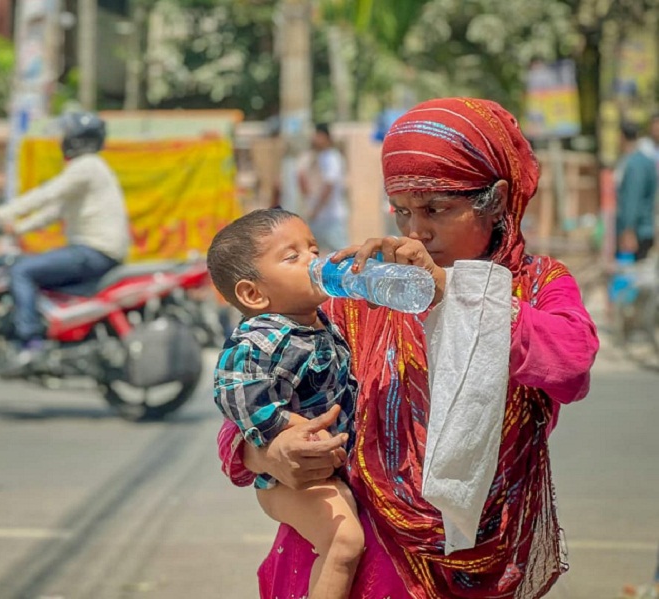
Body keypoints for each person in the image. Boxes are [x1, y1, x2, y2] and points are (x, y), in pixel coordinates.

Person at [216, 97, 600, 598]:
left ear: (498, 200)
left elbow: (571, 366)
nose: (415, 231)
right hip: (365, 561)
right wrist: (268, 453)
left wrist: (454, 297)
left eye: (435, 209)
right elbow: (246, 405)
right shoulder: (366, 292)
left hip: (484, 556)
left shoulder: (535, 285)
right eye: (401, 210)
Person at [208, 209, 363, 599]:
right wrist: (284, 431)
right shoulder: (261, 339)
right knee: (344, 541)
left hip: (324, 466)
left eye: (313, 248)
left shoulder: (318, 321)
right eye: (292, 257)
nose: (314, 260)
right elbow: (233, 390)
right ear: (253, 294)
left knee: (342, 532)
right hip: (286, 479)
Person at [0, 111, 131, 370]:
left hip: (93, 252)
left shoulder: (88, 166)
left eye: (67, 134)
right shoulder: (89, 170)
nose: (63, 139)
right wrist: (16, 228)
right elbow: (54, 212)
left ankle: (31, 342)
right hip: (94, 251)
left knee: (21, 270)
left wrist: (1, 213)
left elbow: (48, 194)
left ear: (78, 139)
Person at [297, 123, 350, 252]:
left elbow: (329, 186)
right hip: (319, 217)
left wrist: (316, 209)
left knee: (341, 254)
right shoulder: (318, 157)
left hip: (330, 217)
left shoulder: (332, 158)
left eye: (317, 135)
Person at [616, 121, 658, 261]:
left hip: (637, 231)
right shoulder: (645, 160)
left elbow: (632, 198)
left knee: (632, 276)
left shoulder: (635, 164)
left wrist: (628, 230)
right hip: (643, 228)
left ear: (622, 137)